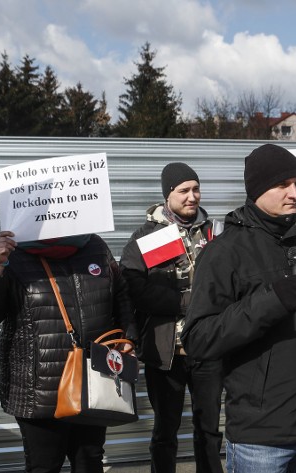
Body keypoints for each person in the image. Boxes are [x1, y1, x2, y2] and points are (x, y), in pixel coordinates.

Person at [181, 144, 296, 473]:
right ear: (256, 189)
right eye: (283, 184)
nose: (294, 193)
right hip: (262, 436)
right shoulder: (224, 252)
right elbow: (198, 338)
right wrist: (271, 301)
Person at [0, 230, 135, 473]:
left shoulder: (95, 246)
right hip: (38, 389)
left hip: (93, 382)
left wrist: (129, 338)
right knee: (44, 465)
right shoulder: (13, 251)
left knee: (90, 461)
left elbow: (121, 295)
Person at [120, 163, 224, 473]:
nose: (192, 197)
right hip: (166, 353)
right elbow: (133, 288)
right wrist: (184, 301)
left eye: (196, 189)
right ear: (168, 195)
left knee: (209, 430)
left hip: (208, 348)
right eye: (184, 191)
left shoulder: (214, 232)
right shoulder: (146, 237)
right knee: (165, 430)